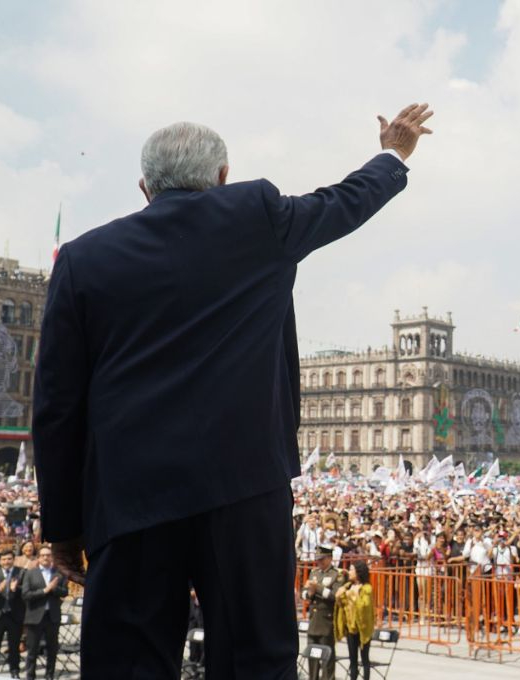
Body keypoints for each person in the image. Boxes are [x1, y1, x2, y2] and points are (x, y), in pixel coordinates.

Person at [32, 105, 432, 678]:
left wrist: (63, 525)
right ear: (223, 177)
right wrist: (394, 150)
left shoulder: (82, 259)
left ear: (145, 188)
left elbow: (56, 405)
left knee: (127, 662)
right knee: (254, 659)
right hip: (244, 490)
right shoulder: (258, 216)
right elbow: (346, 201)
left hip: (130, 499)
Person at [21, 545, 70, 680]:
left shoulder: (59, 573)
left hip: (52, 617)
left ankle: (50, 676)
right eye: (43, 555)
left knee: (52, 650)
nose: (45, 558)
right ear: (38, 558)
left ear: (52, 557)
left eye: (48, 555)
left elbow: (65, 592)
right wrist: (45, 590)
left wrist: (54, 589)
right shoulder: (30, 573)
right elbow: (25, 594)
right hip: (34, 617)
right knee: (32, 651)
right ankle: (30, 676)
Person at [304, 545, 344, 680]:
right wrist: (309, 593)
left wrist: (318, 588)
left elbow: (334, 596)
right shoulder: (314, 573)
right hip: (314, 620)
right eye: (318, 560)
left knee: (327, 658)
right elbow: (305, 594)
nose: (319, 562)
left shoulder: (336, 575)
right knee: (313, 656)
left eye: (322, 559)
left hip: (326, 621)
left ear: (330, 558)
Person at [0, 550, 26, 678]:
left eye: (9, 559)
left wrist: (16, 589)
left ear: (13, 559)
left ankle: (14, 671)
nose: (6, 562)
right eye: (3, 559)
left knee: (14, 647)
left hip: (15, 615)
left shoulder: (22, 572)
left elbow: (27, 590)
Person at [335, 561, 375, 680]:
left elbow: (364, 606)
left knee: (364, 659)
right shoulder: (348, 586)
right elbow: (341, 603)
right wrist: (340, 595)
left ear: (358, 573)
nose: (349, 572)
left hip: (362, 628)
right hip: (350, 627)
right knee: (353, 660)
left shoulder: (366, 588)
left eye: (352, 570)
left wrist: (352, 596)